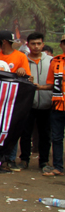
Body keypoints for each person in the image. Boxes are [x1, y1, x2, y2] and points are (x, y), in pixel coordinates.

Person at [11, 32, 51, 170]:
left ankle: (44, 162)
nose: (36, 47)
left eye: (39, 43)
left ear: (43, 44)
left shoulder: (51, 61)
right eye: (33, 44)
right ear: (28, 45)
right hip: (28, 104)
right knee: (25, 133)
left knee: (45, 135)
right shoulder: (23, 61)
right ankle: (24, 160)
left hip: (46, 103)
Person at [38, 34, 65, 177]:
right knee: (56, 137)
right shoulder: (56, 61)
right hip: (58, 105)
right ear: (61, 45)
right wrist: (38, 87)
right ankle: (58, 167)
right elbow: (51, 84)